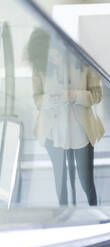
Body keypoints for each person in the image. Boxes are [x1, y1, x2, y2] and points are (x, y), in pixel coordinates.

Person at [26, 28, 104, 206]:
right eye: (50, 55)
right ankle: (65, 218)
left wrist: (74, 96)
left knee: (86, 181)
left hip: (80, 132)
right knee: (60, 182)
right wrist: (48, 100)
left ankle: (96, 214)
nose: (53, 58)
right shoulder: (40, 64)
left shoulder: (84, 60)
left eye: (55, 53)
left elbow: (97, 95)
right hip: (53, 133)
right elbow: (36, 98)